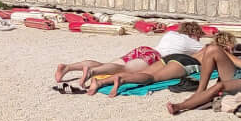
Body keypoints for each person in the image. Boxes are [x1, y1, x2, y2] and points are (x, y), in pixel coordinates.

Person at [53, 45, 198, 95]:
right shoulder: (193, 42)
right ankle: (92, 72)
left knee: (109, 65)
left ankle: (69, 67)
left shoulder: (171, 35)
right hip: (154, 56)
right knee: (124, 69)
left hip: (144, 49)